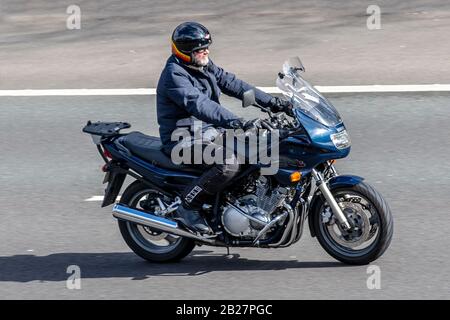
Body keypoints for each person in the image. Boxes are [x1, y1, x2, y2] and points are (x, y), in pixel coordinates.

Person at [156, 21, 293, 233]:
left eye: (206, 47)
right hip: (184, 140)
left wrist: (274, 103)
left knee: (262, 147)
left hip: (211, 134)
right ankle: (187, 206)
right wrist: (239, 122)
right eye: (200, 49)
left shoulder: (202, 65)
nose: (206, 51)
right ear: (185, 50)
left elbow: (235, 85)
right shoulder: (175, 75)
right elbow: (200, 105)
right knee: (227, 164)